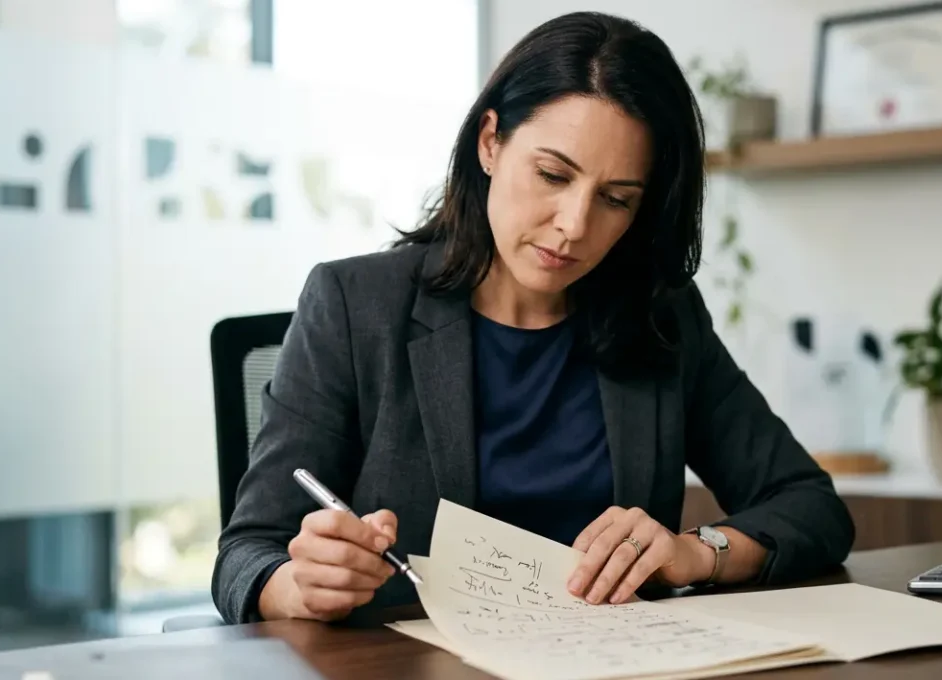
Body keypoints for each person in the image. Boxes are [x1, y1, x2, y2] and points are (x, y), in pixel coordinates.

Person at [211, 10, 854, 626]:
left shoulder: (661, 316)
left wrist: (699, 552)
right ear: (491, 143)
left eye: (615, 199)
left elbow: (811, 506)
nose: (574, 226)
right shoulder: (353, 305)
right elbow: (244, 556)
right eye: (552, 174)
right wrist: (296, 585)